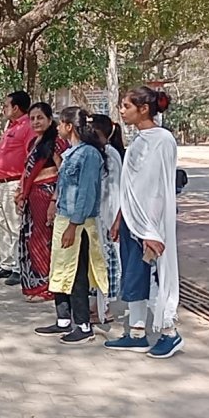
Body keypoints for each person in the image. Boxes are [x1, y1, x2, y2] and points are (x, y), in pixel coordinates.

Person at [104, 87, 183, 359]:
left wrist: (152, 229)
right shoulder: (139, 140)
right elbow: (131, 186)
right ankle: (137, 333)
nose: (122, 111)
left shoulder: (162, 140)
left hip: (149, 224)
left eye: (126, 106)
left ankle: (170, 332)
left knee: (152, 278)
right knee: (134, 276)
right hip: (131, 220)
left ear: (144, 108)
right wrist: (119, 218)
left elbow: (158, 188)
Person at [34, 107, 110, 345]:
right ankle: (63, 319)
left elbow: (86, 193)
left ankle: (84, 324)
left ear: (69, 126)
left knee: (77, 272)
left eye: (60, 124)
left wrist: (73, 225)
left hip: (79, 222)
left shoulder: (88, 154)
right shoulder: (71, 152)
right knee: (59, 268)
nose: (57, 128)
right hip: (64, 218)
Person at [15, 103, 68, 303]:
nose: (36, 122)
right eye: (33, 118)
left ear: (49, 119)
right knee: (32, 239)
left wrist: (55, 199)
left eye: (40, 118)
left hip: (47, 196)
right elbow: (26, 172)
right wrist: (21, 193)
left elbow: (64, 172)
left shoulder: (56, 142)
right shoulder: (33, 143)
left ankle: (48, 287)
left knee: (44, 240)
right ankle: (35, 284)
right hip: (33, 196)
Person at [0, 91, 36, 286]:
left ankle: (18, 267)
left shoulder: (27, 127)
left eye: (6, 105)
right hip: (2, 183)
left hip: (14, 182)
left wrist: (22, 187)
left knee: (16, 226)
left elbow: (30, 158)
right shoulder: (10, 127)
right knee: (4, 225)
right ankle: (6, 263)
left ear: (16, 107)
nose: (4, 108)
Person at [89, 115, 124, 325]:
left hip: (108, 214)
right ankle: (97, 305)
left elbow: (116, 188)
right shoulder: (96, 153)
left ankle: (106, 307)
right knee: (97, 260)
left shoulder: (110, 154)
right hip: (97, 215)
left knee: (109, 261)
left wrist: (116, 219)